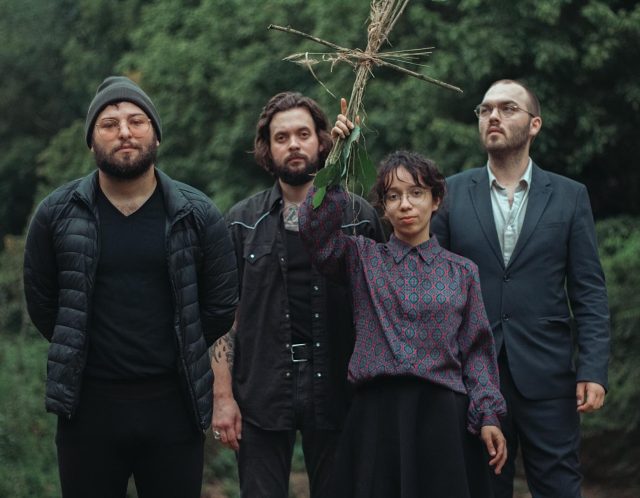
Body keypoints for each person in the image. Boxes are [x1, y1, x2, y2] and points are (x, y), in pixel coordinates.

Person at [23, 76, 238, 498]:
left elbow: (219, 306)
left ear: (156, 135)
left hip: (174, 408)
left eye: (137, 121)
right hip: (88, 409)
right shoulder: (56, 214)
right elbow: (43, 303)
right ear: (91, 141)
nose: (124, 131)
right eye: (109, 124)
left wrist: (183, 347)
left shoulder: (198, 214)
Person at [429, 79, 610, 497]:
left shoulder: (569, 196)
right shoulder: (449, 193)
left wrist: (593, 368)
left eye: (508, 108)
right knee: (483, 489)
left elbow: (588, 291)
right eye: (486, 109)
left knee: (560, 488)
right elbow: (432, 284)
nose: (493, 116)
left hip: (549, 376)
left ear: (534, 125)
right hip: (473, 378)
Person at [299, 145, 508, 498]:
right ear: (383, 207)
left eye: (416, 193)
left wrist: (488, 415)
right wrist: (336, 162)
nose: (405, 204)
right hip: (377, 417)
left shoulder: (462, 272)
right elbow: (315, 233)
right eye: (393, 196)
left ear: (436, 200)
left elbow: (477, 351)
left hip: (443, 417)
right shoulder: (361, 258)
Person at [210, 91, 385, 498]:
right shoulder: (240, 223)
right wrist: (223, 397)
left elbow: (381, 310)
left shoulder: (356, 217)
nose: (293, 144)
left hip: (340, 388)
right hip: (261, 389)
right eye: (281, 137)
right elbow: (223, 318)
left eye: (303, 134)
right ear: (267, 149)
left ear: (322, 142)